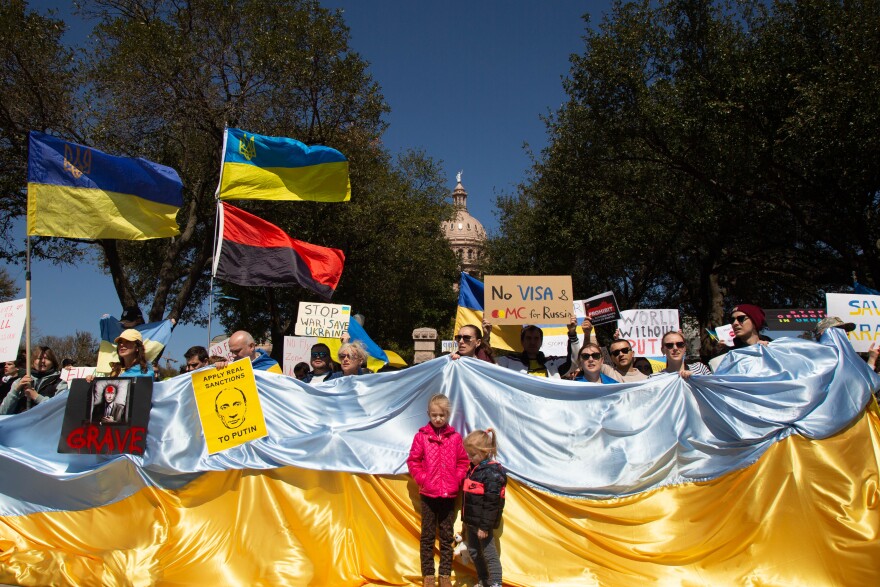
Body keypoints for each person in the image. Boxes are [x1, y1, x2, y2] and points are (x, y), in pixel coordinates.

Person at [407, 393, 469, 587]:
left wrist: (456, 480)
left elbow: (463, 461)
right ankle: (428, 575)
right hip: (428, 494)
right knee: (426, 536)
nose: (438, 419)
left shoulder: (455, 438)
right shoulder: (421, 436)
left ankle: (444, 575)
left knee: (446, 535)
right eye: (434, 415)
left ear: (447, 414)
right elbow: (413, 461)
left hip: (448, 494)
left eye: (441, 415)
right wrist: (422, 479)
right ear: (428, 414)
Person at [462, 428, 507, 587]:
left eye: (472, 455)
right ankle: (483, 581)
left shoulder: (491, 472)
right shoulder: (474, 469)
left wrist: (484, 526)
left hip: (482, 526)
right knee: (474, 552)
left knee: (489, 555)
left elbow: (491, 503)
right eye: (468, 454)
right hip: (471, 523)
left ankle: (495, 583)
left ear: (485, 452)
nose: (469, 457)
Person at [494, 319, 578, 378]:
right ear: (522, 342)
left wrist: (572, 333)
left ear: (541, 342)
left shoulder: (552, 362)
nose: (532, 342)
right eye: (528, 338)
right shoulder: (509, 361)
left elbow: (575, 362)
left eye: (536, 338)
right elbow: (484, 364)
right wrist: (486, 337)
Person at [0, 347, 67, 415]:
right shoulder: (20, 381)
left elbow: (59, 409)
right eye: (39, 358)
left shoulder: (60, 383)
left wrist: (36, 397)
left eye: (47, 358)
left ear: (53, 362)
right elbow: (3, 412)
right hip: (21, 423)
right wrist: (15, 391)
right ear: (33, 361)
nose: (43, 361)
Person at [215, 331, 282, 373]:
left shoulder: (272, 368)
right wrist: (219, 370)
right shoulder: (231, 367)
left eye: (237, 351)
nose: (233, 355)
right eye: (232, 352)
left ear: (251, 347)